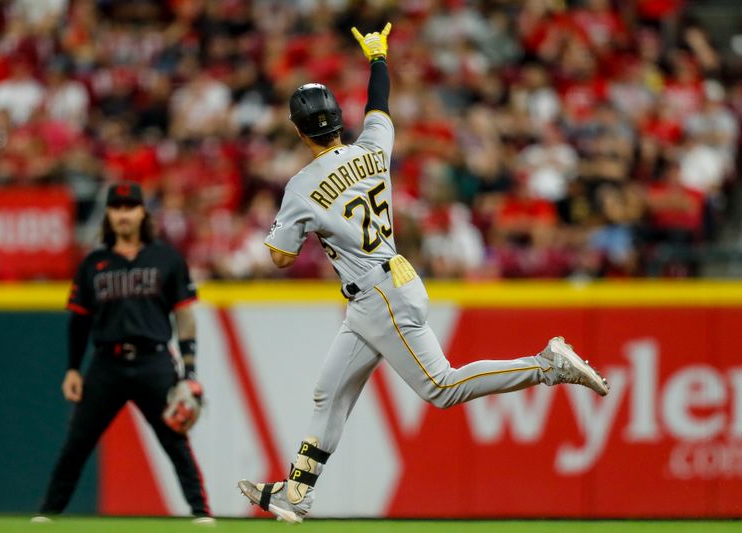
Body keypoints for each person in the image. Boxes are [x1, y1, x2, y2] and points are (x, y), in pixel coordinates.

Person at [237, 24, 610, 523]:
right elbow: (380, 108)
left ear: (299, 130)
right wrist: (378, 59)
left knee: (442, 387)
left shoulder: (302, 186)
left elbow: (280, 259)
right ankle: (296, 492)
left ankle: (547, 365)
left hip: (378, 293)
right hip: (387, 284)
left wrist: (289, 226)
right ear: (337, 121)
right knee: (331, 391)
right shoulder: (372, 149)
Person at [34, 182, 213, 524]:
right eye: (117, 207)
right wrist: (73, 368)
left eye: (130, 207)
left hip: (154, 361)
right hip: (106, 364)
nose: (123, 214)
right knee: (77, 443)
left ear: (142, 212)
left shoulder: (167, 258)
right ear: (109, 214)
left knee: (175, 441)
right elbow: (79, 320)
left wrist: (189, 371)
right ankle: (47, 515)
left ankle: (201, 513)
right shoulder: (94, 263)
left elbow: (185, 316)